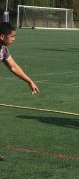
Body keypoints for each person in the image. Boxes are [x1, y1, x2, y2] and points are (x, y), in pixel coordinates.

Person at [1, 22, 40, 161]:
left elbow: (14, 67)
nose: (14, 39)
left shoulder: (3, 50)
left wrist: (29, 81)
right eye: (12, 36)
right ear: (2, 36)